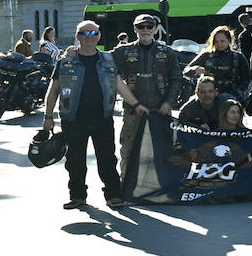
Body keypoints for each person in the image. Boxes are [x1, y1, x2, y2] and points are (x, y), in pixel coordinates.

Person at [42, 20, 138, 210]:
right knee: (75, 161)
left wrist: (136, 104)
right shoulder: (65, 61)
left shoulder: (108, 59)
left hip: (102, 117)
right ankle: (77, 196)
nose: (89, 37)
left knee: (107, 159)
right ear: (77, 36)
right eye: (85, 33)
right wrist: (48, 116)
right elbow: (53, 91)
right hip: (73, 119)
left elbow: (119, 84)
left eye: (94, 34)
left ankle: (113, 195)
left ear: (99, 37)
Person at [112, 14, 186, 172]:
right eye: (141, 26)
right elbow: (100, 60)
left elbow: (177, 79)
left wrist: (169, 103)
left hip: (161, 110)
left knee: (164, 150)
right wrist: (73, 51)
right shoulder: (122, 52)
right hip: (133, 111)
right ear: (135, 29)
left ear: (155, 29)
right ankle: (126, 185)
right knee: (128, 150)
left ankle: (164, 187)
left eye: (149, 26)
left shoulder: (167, 52)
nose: (145, 30)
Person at [187, 26, 251, 102]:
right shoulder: (206, 55)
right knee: (189, 107)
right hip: (208, 96)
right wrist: (194, 69)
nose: (219, 44)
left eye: (222, 41)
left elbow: (247, 78)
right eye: (216, 42)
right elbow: (186, 71)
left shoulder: (238, 57)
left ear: (229, 41)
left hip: (231, 96)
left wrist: (238, 91)